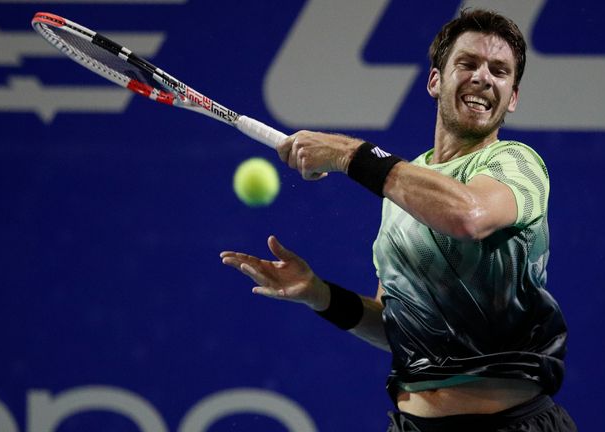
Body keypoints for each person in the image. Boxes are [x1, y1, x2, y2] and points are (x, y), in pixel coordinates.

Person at [220, 8, 576, 432]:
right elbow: (399, 329)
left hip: (510, 424)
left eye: (499, 71)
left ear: (512, 97)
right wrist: (319, 295)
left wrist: (347, 154)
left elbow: (468, 215)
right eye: (467, 64)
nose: (483, 77)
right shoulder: (404, 192)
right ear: (435, 81)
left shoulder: (517, 164)